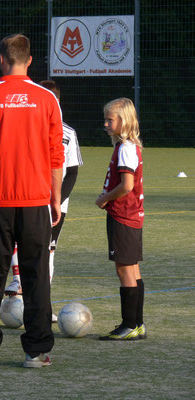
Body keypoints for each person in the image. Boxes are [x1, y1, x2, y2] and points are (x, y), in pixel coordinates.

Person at [0, 34, 64, 369]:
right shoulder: (46, 98)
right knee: (36, 275)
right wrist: (55, 197)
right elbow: (56, 154)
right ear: (30, 60)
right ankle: (35, 352)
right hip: (36, 200)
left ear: (0, 59)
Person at [5, 80, 84, 323]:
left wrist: (57, 200)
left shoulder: (68, 133)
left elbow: (71, 171)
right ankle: (20, 288)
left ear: (56, 102)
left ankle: (42, 306)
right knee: (23, 245)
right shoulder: (31, 127)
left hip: (55, 205)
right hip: (30, 197)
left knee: (47, 252)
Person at [96, 98, 146, 341]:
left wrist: (105, 198)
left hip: (123, 215)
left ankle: (129, 325)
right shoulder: (127, 146)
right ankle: (137, 324)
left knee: (124, 269)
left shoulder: (126, 148)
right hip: (131, 215)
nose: (105, 123)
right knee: (133, 269)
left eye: (110, 120)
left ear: (123, 121)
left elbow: (126, 185)